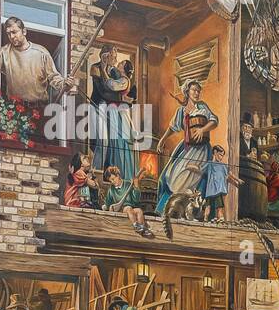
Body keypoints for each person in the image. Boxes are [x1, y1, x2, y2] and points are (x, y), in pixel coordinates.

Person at [155, 80, 218, 214]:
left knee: (194, 178)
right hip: (187, 148)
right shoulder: (181, 111)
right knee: (170, 176)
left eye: (198, 90)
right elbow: (173, 127)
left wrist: (202, 130)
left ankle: (192, 211)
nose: (196, 93)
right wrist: (162, 139)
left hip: (201, 149)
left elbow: (214, 121)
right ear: (187, 92)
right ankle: (168, 209)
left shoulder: (202, 107)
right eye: (194, 90)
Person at [89, 46, 137, 181]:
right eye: (113, 57)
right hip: (97, 106)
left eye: (117, 58)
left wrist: (123, 98)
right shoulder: (95, 68)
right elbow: (103, 91)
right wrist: (122, 99)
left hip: (110, 110)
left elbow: (116, 87)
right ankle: (95, 175)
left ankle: (103, 174)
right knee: (102, 142)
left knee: (110, 144)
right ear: (105, 56)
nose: (116, 60)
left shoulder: (115, 71)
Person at [102, 165, 153, 237]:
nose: (112, 182)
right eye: (110, 181)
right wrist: (108, 207)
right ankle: (136, 225)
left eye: (113, 179)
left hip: (131, 209)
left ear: (118, 175)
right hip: (120, 209)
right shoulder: (112, 189)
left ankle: (143, 229)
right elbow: (108, 202)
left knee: (139, 210)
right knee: (128, 208)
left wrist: (136, 187)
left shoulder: (128, 184)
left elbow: (136, 200)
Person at [198, 144, 241, 221]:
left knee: (219, 206)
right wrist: (191, 167)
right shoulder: (209, 164)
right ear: (215, 152)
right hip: (210, 190)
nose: (221, 157)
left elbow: (229, 174)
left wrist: (237, 180)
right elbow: (200, 170)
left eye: (222, 156)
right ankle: (205, 218)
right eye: (220, 155)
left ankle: (220, 218)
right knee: (208, 206)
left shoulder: (223, 166)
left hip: (218, 190)